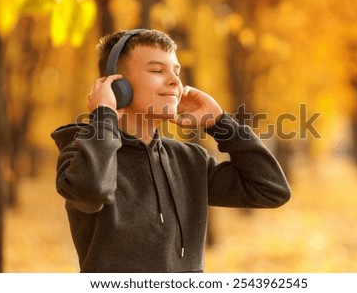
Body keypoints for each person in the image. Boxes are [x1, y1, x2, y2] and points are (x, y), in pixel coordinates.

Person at [50, 29, 291, 273]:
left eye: (176, 71)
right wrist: (104, 115)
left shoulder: (189, 160)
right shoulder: (81, 152)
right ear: (118, 86)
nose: (175, 81)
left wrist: (220, 123)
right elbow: (91, 192)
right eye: (157, 70)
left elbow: (271, 190)